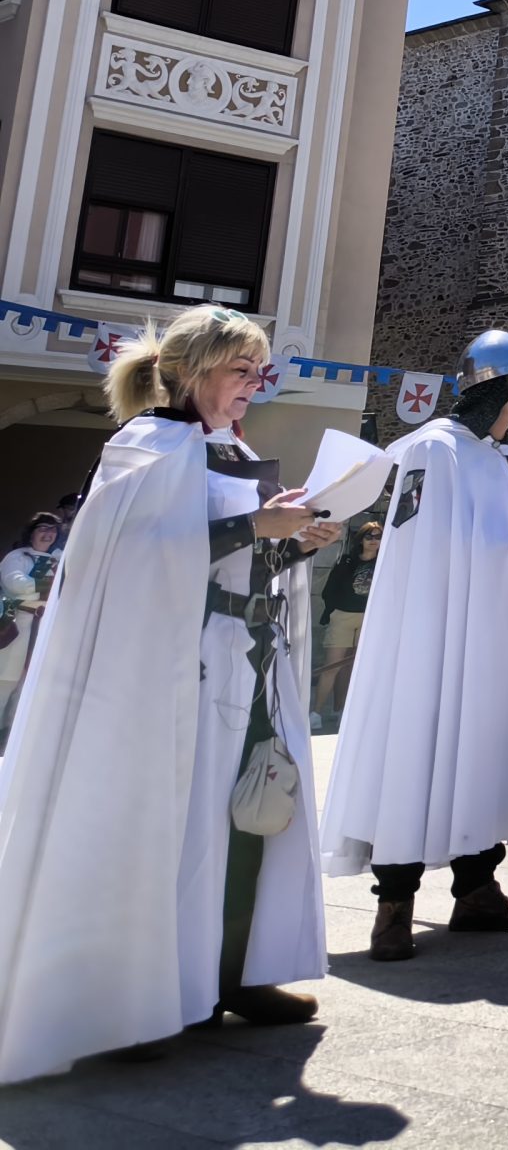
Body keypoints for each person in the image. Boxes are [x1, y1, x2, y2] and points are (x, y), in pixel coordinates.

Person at [0, 305, 344, 1079]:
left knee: (250, 821)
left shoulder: (230, 449)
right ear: (192, 374)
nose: (253, 386)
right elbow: (124, 559)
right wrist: (258, 529)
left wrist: (294, 540)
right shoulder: (145, 446)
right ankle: (130, 1000)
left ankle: (229, 979)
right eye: (240, 371)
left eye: (260, 372)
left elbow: (238, 556)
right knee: (170, 825)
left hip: (247, 661)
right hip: (169, 669)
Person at [321, 329, 508, 964]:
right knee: (420, 752)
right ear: (499, 386)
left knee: (483, 752)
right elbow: (427, 550)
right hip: (434, 640)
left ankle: (477, 891)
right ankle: (394, 906)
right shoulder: (434, 451)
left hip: (496, 639)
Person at [0, 513, 65, 746]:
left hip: (44, 627)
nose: (48, 534)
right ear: (33, 532)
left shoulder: (60, 559)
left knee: (28, 684)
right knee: (5, 680)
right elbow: (15, 583)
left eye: (53, 530)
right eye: (43, 528)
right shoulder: (18, 556)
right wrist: (46, 584)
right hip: (18, 624)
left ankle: (11, 738)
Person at [311, 520, 381, 732]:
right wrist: (333, 611)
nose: (373, 541)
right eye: (369, 536)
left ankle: (340, 710)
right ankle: (316, 712)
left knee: (351, 667)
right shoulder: (347, 561)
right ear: (361, 538)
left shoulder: (384, 562)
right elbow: (329, 590)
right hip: (343, 616)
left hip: (367, 617)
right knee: (333, 665)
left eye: (378, 537)